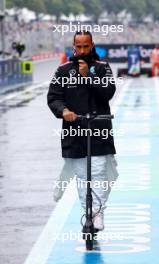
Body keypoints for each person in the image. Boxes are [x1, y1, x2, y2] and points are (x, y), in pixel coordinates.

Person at [47, 31, 118, 231]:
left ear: (92, 45)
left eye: (86, 46)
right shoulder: (63, 70)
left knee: (98, 173)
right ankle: (87, 213)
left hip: (99, 130)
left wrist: (88, 77)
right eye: (78, 47)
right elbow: (53, 98)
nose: (82, 50)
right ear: (73, 46)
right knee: (82, 176)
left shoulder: (103, 68)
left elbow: (108, 93)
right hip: (74, 132)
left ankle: (98, 213)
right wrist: (64, 111)